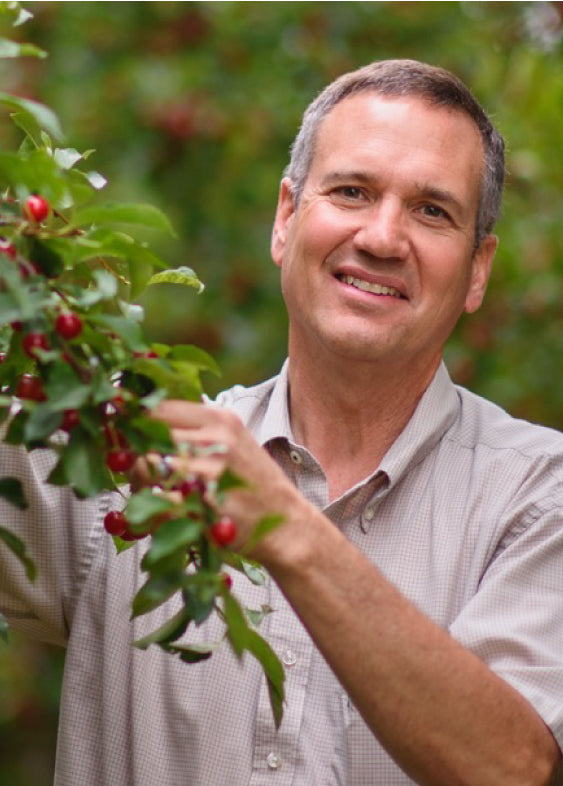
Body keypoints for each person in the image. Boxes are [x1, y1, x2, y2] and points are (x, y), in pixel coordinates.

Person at [1, 59, 562, 786]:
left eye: (432, 211)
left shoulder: (538, 496)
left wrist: (286, 529)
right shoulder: (124, 453)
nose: (383, 237)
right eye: (351, 191)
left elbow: (509, 766)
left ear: (478, 269)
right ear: (285, 218)